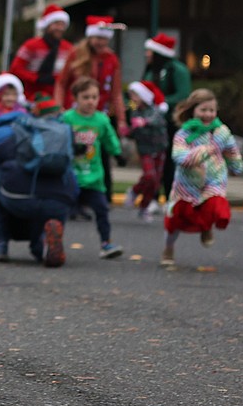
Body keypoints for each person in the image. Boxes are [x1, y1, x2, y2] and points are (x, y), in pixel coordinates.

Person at [0, 98, 78, 266]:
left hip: (17, 196)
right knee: (45, 212)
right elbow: (72, 176)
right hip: (60, 198)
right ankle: (42, 244)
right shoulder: (58, 134)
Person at [160, 88, 243, 267]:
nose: (208, 114)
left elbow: (231, 150)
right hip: (187, 184)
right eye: (203, 110)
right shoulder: (183, 134)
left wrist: (236, 166)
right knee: (175, 218)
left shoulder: (221, 132)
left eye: (211, 110)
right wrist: (210, 149)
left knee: (215, 205)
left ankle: (207, 227)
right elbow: (182, 158)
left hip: (213, 180)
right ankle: (168, 248)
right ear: (193, 111)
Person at [54, 15, 127, 196]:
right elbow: (61, 83)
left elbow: (116, 91)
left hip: (101, 115)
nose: (102, 42)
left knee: (101, 155)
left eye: (105, 38)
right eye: (98, 38)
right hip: (77, 115)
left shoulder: (111, 59)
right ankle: (72, 193)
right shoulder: (76, 55)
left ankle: (102, 195)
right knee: (77, 153)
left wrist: (122, 119)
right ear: (90, 37)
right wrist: (58, 108)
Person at [60, 77, 125, 259]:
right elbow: (59, 139)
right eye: (85, 97)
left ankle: (106, 243)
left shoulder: (101, 120)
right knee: (61, 210)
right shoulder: (67, 118)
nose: (90, 101)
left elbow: (109, 138)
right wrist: (72, 146)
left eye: (94, 97)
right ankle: (53, 241)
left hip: (94, 176)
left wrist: (117, 153)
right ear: (76, 98)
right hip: (71, 176)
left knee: (102, 210)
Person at [140, 32, 191, 206]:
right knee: (152, 161)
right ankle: (152, 196)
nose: (147, 54)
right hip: (151, 123)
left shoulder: (176, 69)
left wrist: (159, 102)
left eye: (149, 51)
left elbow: (183, 95)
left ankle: (170, 195)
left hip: (170, 123)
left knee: (169, 161)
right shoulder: (151, 70)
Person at [123, 80, 168, 223]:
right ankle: (135, 191)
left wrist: (145, 122)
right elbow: (135, 131)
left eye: (134, 96)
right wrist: (128, 132)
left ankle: (144, 206)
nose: (132, 100)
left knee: (155, 182)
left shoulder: (155, 109)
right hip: (145, 150)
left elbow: (157, 120)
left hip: (159, 148)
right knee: (149, 177)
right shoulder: (134, 112)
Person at [9, 4, 73, 102]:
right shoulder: (31, 45)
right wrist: (36, 78)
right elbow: (15, 68)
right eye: (56, 24)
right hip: (34, 97)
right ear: (47, 25)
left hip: (59, 99)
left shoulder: (68, 48)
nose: (60, 28)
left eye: (62, 24)